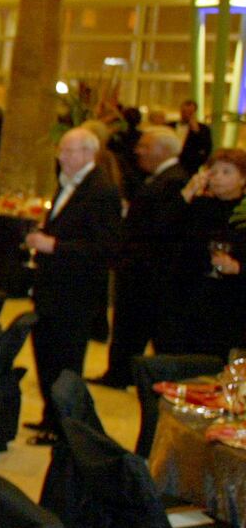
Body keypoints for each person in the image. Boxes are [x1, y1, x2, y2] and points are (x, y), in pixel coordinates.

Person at [22, 128, 122, 444]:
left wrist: (53, 245)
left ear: (88, 154)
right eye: (61, 150)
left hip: (74, 294)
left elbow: (105, 249)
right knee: (47, 356)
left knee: (65, 362)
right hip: (52, 288)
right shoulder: (70, 183)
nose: (61, 157)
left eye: (69, 151)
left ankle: (64, 427)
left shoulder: (101, 190)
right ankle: (51, 417)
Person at [95, 127, 187, 388]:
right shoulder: (161, 177)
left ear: (162, 150)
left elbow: (160, 227)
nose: (137, 150)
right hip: (139, 268)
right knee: (128, 327)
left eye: (145, 146)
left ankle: (123, 374)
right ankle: (119, 373)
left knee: (134, 326)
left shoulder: (174, 180)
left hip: (145, 271)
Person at [163, 148, 246, 359]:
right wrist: (187, 193)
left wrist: (238, 267)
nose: (217, 178)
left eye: (226, 172)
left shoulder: (242, 213)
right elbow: (164, 232)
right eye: (214, 172)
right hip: (189, 294)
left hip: (228, 302)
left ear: (243, 179)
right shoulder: (200, 205)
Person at [177, 98, 213, 175]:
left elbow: (206, 149)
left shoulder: (203, 129)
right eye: (184, 112)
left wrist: (196, 132)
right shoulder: (170, 125)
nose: (186, 114)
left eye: (189, 112)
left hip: (189, 168)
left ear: (194, 112)